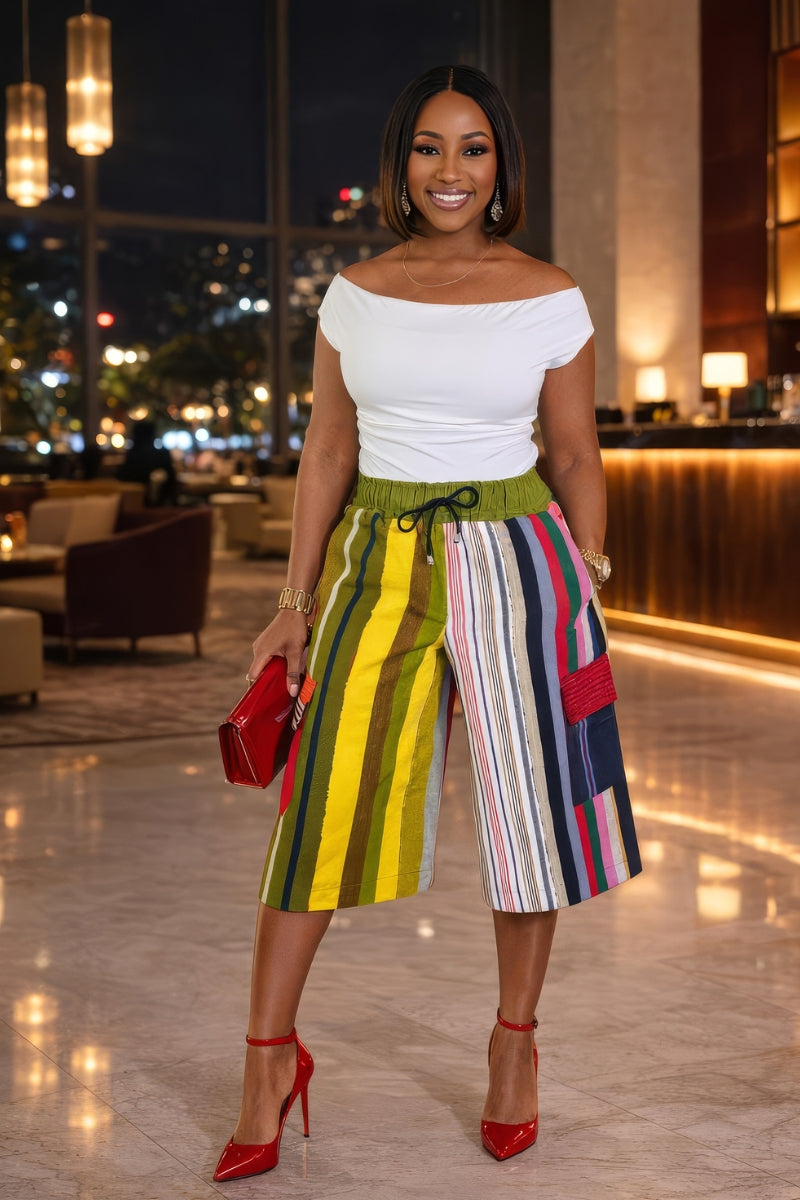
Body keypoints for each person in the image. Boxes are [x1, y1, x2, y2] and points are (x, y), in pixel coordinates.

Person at [213, 64, 642, 1182]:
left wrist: (587, 575)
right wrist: (293, 605)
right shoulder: (354, 295)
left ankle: (514, 1046)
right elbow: (327, 451)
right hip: (378, 562)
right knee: (317, 809)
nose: (450, 171)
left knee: (534, 819)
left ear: (501, 167)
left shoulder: (549, 295)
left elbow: (574, 453)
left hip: (522, 562)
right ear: (400, 164)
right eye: (428, 147)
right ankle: (267, 1063)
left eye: (473, 149)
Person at [116, 419, 178, 505]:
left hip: (128, 501)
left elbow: (121, 475)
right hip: (148, 502)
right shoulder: (158, 454)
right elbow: (171, 477)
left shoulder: (133, 454)